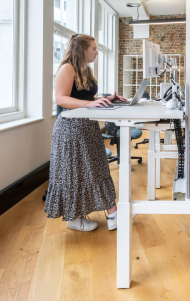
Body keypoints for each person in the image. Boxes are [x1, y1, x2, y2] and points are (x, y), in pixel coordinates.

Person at [44, 34, 126, 232]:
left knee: (96, 169)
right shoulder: (67, 68)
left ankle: (113, 213)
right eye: (94, 49)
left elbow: (85, 95)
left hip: (86, 127)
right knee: (76, 173)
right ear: (82, 50)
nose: (97, 52)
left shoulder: (84, 70)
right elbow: (61, 99)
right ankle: (76, 218)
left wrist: (107, 99)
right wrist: (90, 103)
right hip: (70, 130)